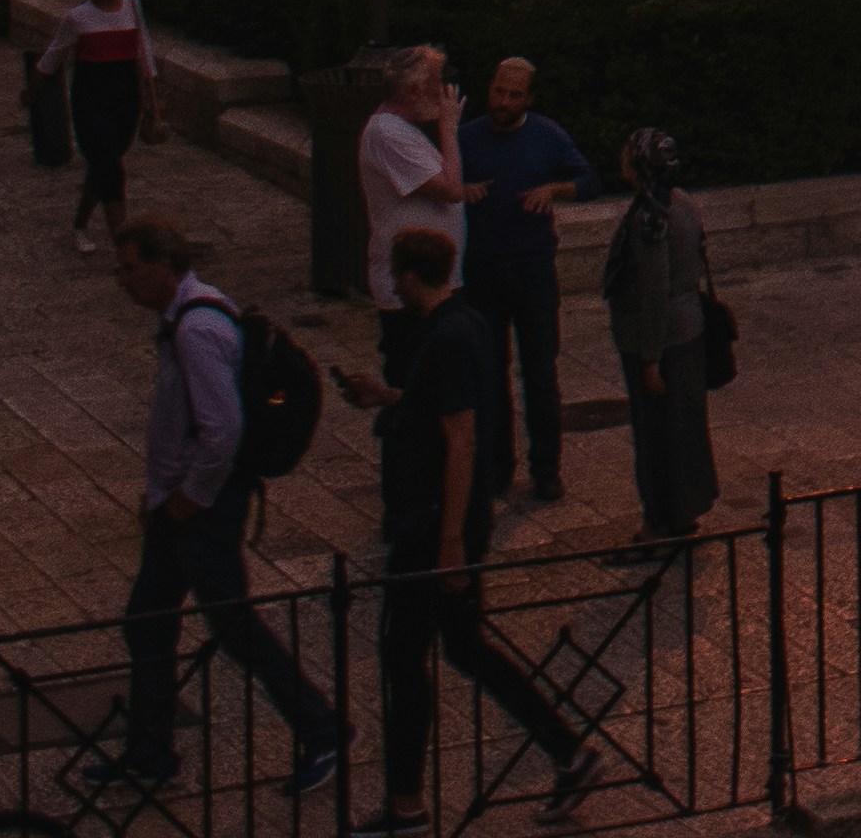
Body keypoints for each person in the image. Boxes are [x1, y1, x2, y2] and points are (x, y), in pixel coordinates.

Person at [112, 224, 346, 793]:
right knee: (148, 620)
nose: (124, 282)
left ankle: (322, 730)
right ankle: (149, 751)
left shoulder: (196, 329)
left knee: (234, 626)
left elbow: (221, 430)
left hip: (203, 509)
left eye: (131, 269)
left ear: (164, 265)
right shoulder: (192, 316)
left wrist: (189, 498)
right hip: (178, 505)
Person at [367, 228, 586, 830]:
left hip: (435, 527)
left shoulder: (445, 338)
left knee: (404, 654)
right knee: (464, 649)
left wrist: (450, 542)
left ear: (410, 277)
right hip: (448, 524)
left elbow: (460, 436)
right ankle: (568, 751)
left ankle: (406, 802)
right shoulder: (467, 323)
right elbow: (442, 406)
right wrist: (387, 397)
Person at [456, 54, 593, 507]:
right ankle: (497, 468)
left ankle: (547, 469)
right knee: (489, 373)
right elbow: (442, 183)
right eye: (498, 91)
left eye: (514, 95)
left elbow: (588, 179)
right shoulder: (469, 136)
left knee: (540, 373)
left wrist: (553, 190)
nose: (503, 101)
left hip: (532, 268)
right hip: (484, 269)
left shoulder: (547, 135)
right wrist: (462, 192)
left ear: (528, 99)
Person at [596, 128, 717, 542]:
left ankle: (661, 517)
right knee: (684, 427)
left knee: (657, 435)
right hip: (688, 329)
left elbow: (653, 290)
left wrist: (650, 359)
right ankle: (683, 509)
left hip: (662, 339)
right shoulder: (682, 203)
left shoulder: (651, 216)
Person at [41, 0, 155, 256]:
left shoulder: (132, 6)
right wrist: (33, 88)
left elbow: (143, 52)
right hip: (91, 98)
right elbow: (54, 53)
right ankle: (125, 245)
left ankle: (79, 223)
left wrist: (151, 102)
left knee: (104, 164)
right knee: (111, 167)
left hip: (124, 98)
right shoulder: (77, 16)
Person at [355, 46, 480, 316]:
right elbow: (450, 190)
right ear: (412, 91)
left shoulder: (402, 130)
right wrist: (448, 128)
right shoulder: (388, 133)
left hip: (431, 285)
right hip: (412, 291)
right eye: (436, 82)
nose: (443, 90)